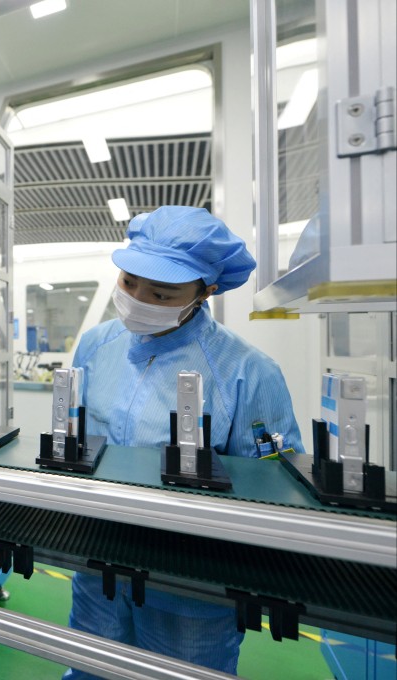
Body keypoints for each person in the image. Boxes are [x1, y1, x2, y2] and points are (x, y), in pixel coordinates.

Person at [64, 206, 303, 678]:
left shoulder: (247, 371)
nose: (137, 299)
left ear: (205, 291)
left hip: (191, 582)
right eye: (129, 282)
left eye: (161, 293)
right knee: (90, 667)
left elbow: (276, 486)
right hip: (99, 559)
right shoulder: (96, 345)